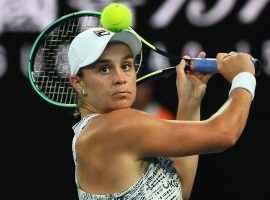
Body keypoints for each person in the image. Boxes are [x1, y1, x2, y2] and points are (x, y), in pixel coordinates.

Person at [68, 27, 256, 200]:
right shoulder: (116, 126)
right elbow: (224, 134)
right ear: (78, 82)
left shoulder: (94, 133)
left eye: (126, 66)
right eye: (104, 69)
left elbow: (178, 191)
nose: (120, 78)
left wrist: (189, 102)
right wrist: (243, 77)